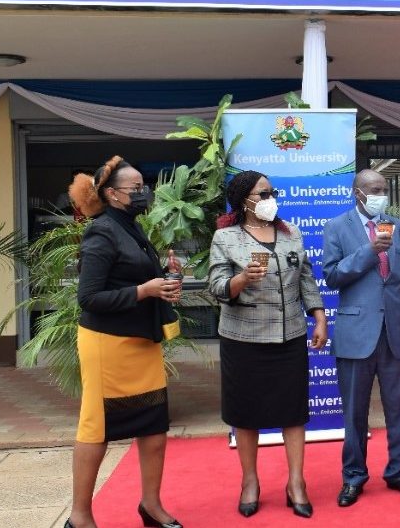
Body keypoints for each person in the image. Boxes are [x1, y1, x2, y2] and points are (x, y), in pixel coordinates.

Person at [66, 156, 183, 528]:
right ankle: (80, 516)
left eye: (142, 186)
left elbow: (134, 277)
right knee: (96, 428)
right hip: (109, 345)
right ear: (113, 194)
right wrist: (144, 290)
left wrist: (165, 280)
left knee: (154, 426)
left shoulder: (131, 226)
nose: (143, 192)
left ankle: (151, 505)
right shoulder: (101, 231)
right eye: (136, 188)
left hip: (142, 342)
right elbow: (89, 298)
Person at [207, 171, 328, 519]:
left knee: (293, 411)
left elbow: (306, 280)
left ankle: (296, 482)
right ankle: (249, 481)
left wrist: (319, 318)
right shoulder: (225, 237)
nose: (270, 199)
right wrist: (242, 279)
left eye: (272, 192)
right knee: (246, 413)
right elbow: (216, 287)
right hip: (243, 339)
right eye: (263, 194)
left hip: (290, 337)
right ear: (244, 200)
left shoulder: (292, 234)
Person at [323, 169, 400, 507]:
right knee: (354, 412)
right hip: (357, 335)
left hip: (398, 334)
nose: (381, 195)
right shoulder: (336, 227)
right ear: (358, 193)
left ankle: (399, 472)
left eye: (384, 189)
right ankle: (353, 476)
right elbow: (332, 276)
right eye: (375, 189)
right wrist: (368, 251)